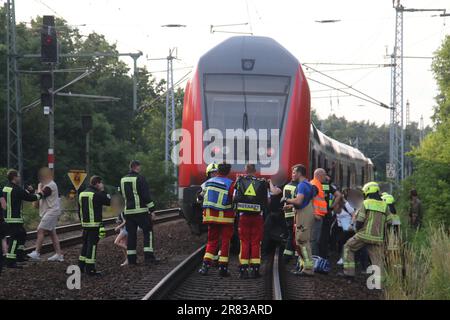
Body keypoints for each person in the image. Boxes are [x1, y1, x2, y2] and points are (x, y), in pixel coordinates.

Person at [341, 182, 393, 283]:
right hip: (377, 237)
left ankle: (349, 274)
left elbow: (360, 221)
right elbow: (390, 222)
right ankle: (379, 282)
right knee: (377, 259)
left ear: (368, 191)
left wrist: (357, 231)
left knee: (348, 247)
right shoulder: (384, 205)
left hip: (364, 235)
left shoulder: (366, 203)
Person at [198, 162, 235, 277]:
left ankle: (205, 266)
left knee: (212, 241)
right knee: (225, 241)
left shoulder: (207, 183)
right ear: (228, 172)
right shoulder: (230, 184)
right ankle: (222, 268)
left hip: (210, 216)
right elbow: (234, 198)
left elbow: (199, 198)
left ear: (217, 171)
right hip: (226, 218)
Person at [2, 169, 44, 269]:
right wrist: (41, 194)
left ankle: (19, 256)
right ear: (14, 177)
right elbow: (31, 198)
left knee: (22, 235)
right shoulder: (17, 189)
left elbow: (18, 196)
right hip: (14, 218)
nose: (20, 178)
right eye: (19, 176)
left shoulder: (5, 188)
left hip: (7, 217)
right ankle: (11, 261)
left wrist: (27, 191)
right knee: (15, 238)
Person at [234, 164, 269, 279]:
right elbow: (268, 200)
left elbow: (235, 198)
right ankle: (255, 270)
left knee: (244, 242)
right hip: (257, 216)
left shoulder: (240, 181)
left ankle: (243, 270)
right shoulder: (262, 183)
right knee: (255, 243)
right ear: (255, 171)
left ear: (245, 170)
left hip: (244, 216)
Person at [119, 160, 159, 265]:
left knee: (131, 235)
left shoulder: (122, 180)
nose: (140, 169)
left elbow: (122, 195)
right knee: (148, 231)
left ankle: (132, 260)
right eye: (139, 167)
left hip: (128, 212)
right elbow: (146, 196)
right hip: (141, 211)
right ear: (136, 167)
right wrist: (152, 210)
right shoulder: (140, 178)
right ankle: (149, 258)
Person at [284, 164, 315, 276]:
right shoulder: (307, 184)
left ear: (299, 173)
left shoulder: (302, 185)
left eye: (293, 172)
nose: (292, 175)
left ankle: (308, 268)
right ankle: (305, 267)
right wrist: (291, 207)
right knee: (300, 241)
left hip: (303, 215)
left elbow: (299, 201)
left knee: (302, 240)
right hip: (304, 213)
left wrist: (287, 200)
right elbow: (304, 202)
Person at [27, 167, 63, 262]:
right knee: (52, 234)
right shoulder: (46, 185)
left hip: (52, 211)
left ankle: (37, 252)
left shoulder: (50, 185)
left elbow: (41, 195)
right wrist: (32, 192)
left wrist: (39, 187)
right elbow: (37, 200)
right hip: (49, 212)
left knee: (40, 230)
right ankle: (59, 255)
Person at [78, 176, 111, 276]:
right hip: (94, 225)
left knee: (85, 245)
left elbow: (78, 210)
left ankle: (81, 267)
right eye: (101, 183)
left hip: (85, 224)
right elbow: (108, 201)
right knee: (92, 247)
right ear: (97, 183)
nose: (102, 185)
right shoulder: (96, 194)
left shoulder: (81, 194)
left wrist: (82, 222)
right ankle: (90, 269)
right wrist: (103, 190)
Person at [319, 169, 342, 258]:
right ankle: (323, 255)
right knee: (325, 234)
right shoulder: (328, 186)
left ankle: (316, 255)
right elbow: (339, 195)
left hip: (316, 213)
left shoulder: (314, 184)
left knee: (317, 235)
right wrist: (332, 206)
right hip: (327, 212)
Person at [309, 168, 328, 257]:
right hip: (316, 216)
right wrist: (315, 214)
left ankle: (314, 259)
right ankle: (314, 259)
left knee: (315, 239)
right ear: (319, 175)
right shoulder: (314, 184)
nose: (326, 177)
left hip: (318, 215)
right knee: (314, 239)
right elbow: (311, 200)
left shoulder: (317, 184)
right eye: (324, 175)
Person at [335, 188, 356, 265]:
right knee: (341, 243)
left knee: (343, 243)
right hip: (340, 227)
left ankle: (344, 258)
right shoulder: (336, 205)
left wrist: (351, 225)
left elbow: (354, 215)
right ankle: (343, 258)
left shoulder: (347, 204)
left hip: (348, 228)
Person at [281, 178, 298, 262]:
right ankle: (289, 256)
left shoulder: (287, 186)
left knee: (290, 234)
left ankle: (288, 254)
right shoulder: (297, 187)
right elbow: (297, 201)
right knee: (294, 235)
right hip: (294, 213)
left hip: (287, 214)